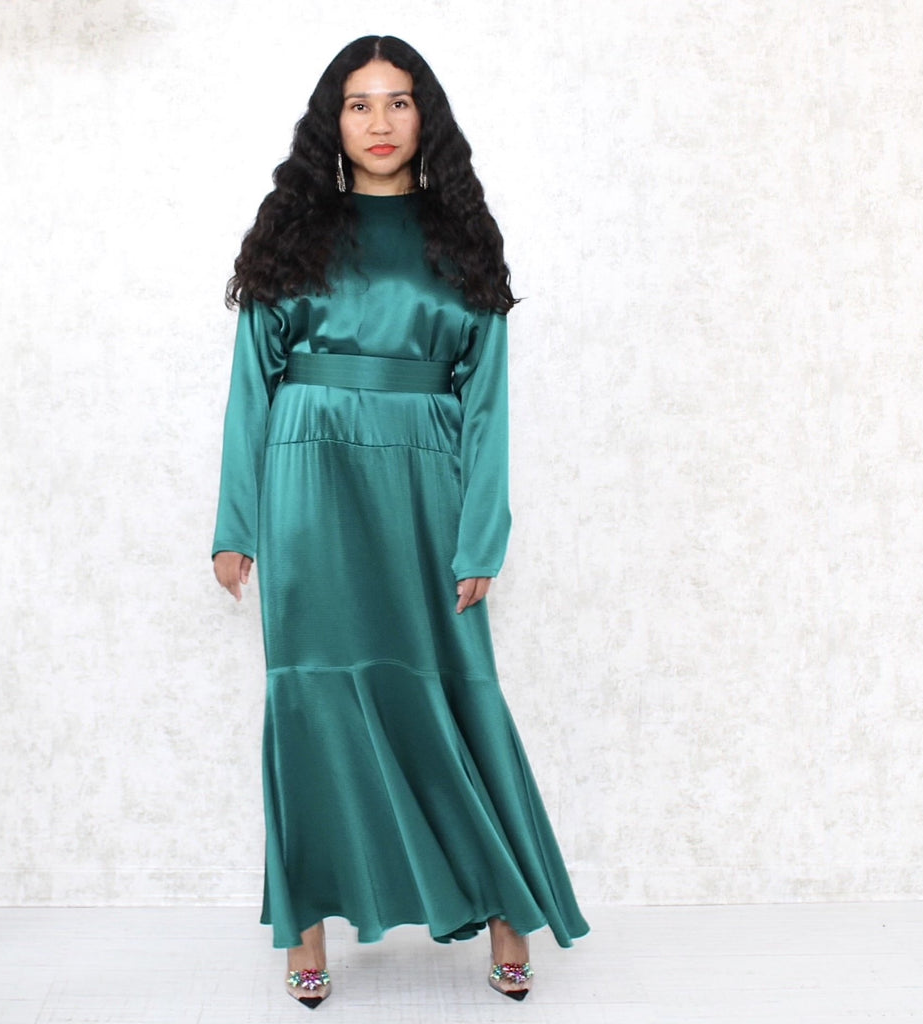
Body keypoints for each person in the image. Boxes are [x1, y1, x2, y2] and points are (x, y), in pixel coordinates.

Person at [212, 34, 588, 1008]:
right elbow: (251, 387)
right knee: (310, 701)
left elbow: (488, 400)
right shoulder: (291, 233)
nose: (379, 122)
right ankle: (305, 927)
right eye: (358, 104)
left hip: (425, 478)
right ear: (330, 122)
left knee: (454, 694)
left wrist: (481, 533)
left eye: (399, 101)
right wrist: (236, 524)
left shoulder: (464, 237)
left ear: (427, 117)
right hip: (307, 478)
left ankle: (506, 911)